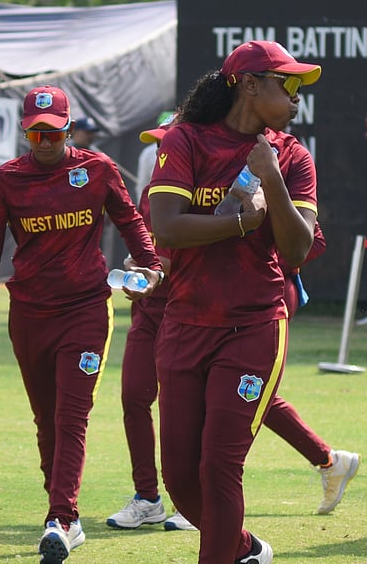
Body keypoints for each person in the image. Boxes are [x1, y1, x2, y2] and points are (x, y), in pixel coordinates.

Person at [107, 122, 356, 534]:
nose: (161, 157)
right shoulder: (155, 193)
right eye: (156, 149)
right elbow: (155, 247)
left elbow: (307, 242)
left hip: (221, 311)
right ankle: (147, 496)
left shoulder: (246, 174)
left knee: (234, 407)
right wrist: (146, 269)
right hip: (157, 311)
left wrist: (247, 230)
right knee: (135, 397)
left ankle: (326, 461)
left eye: (167, 146)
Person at [0, 84, 164, 564]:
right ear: (24, 132)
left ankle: (63, 519)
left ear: (69, 129)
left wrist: (150, 264)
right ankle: (60, 510)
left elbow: (131, 220)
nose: (45, 142)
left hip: (87, 309)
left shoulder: (96, 168)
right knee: (46, 422)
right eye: (36, 134)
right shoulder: (8, 179)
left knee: (72, 417)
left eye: (53, 133)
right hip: (28, 314)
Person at [148, 40, 320, 564]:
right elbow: (168, 229)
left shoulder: (291, 155)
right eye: (286, 84)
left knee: (219, 467)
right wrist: (241, 221)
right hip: (185, 322)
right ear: (249, 84)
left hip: (254, 324)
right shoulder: (184, 141)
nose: (295, 98)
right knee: (179, 477)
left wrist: (269, 177)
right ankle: (245, 549)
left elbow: (298, 249)